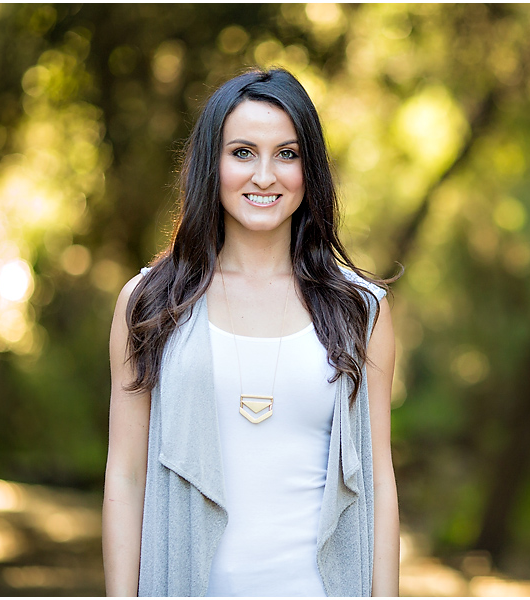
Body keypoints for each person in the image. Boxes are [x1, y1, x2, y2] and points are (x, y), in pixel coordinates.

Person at [102, 67, 401, 597]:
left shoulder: (361, 309)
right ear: (210, 166)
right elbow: (125, 479)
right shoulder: (150, 305)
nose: (265, 175)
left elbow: (379, 483)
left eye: (287, 154)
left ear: (310, 171)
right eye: (242, 152)